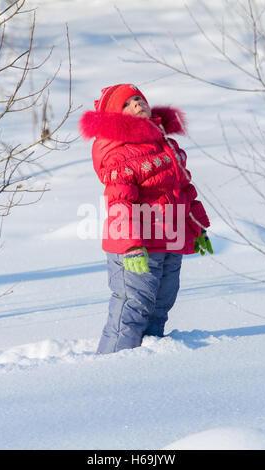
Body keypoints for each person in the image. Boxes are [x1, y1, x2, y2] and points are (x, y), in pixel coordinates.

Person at [79, 84, 212, 354]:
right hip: (138, 247)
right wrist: (130, 245)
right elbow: (120, 201)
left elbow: (184, 189)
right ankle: (111, 366)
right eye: (126, 104)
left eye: (139, 99)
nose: (137, 104)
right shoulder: (120, 154)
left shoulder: (166, 146)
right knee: (132, 307)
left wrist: (198, 229)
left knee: (160, 305)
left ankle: (147, 365)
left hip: (170, 241)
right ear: (115, 117)